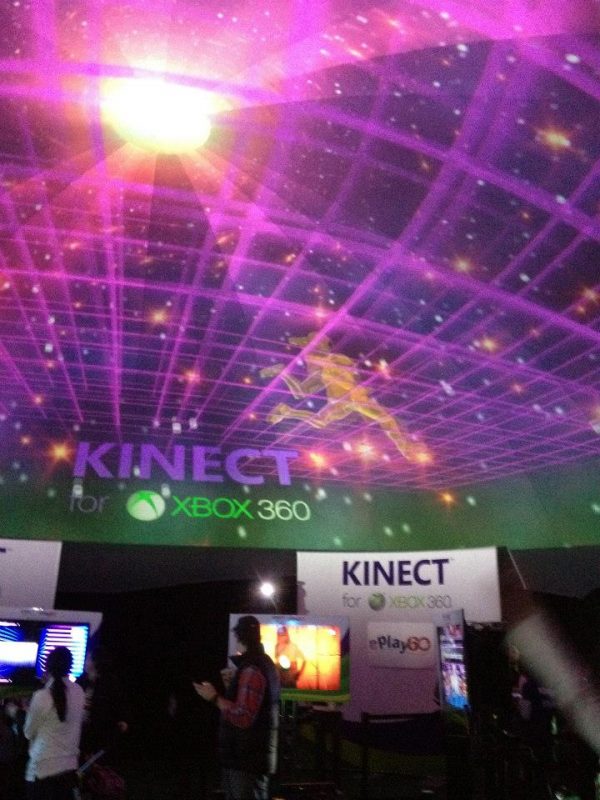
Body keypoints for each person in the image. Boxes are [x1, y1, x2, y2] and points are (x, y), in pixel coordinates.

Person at [193, 615, 280, 800]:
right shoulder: (264, 663)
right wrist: (231, 688)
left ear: (240, 637)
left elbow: (243, 716)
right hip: (252, 759)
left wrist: (214, 697)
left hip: (245, 761)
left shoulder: (252, 669)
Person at [23, 646, 85, 800]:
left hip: (42, 770)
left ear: (47, 668)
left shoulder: (42, 696)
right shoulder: (79, 692)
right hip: (69, 768)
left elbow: (28, 732)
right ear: (70, 666)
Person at [78, 645, 129, 757]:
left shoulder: (110, 683)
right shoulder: (82, 680)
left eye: (88, 659)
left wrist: (122, 720)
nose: (85, 662)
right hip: (80, 729)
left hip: (99, 730)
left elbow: (118, 703)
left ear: (96, 662)